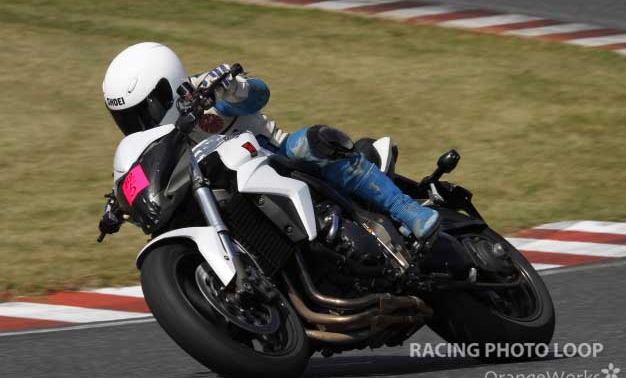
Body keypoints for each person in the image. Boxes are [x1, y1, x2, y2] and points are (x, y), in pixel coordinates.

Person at [99, 42, 440, 242]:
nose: (140, 125)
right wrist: (119, 205)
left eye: (144, 111)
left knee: (310, 142)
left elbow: (260, 95)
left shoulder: (206, 89)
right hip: (230, 197)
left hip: (276, 161)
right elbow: (140, 180)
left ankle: (405, 209)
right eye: (127, 119)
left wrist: (235, 88)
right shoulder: (153, 147)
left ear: (169, 86)